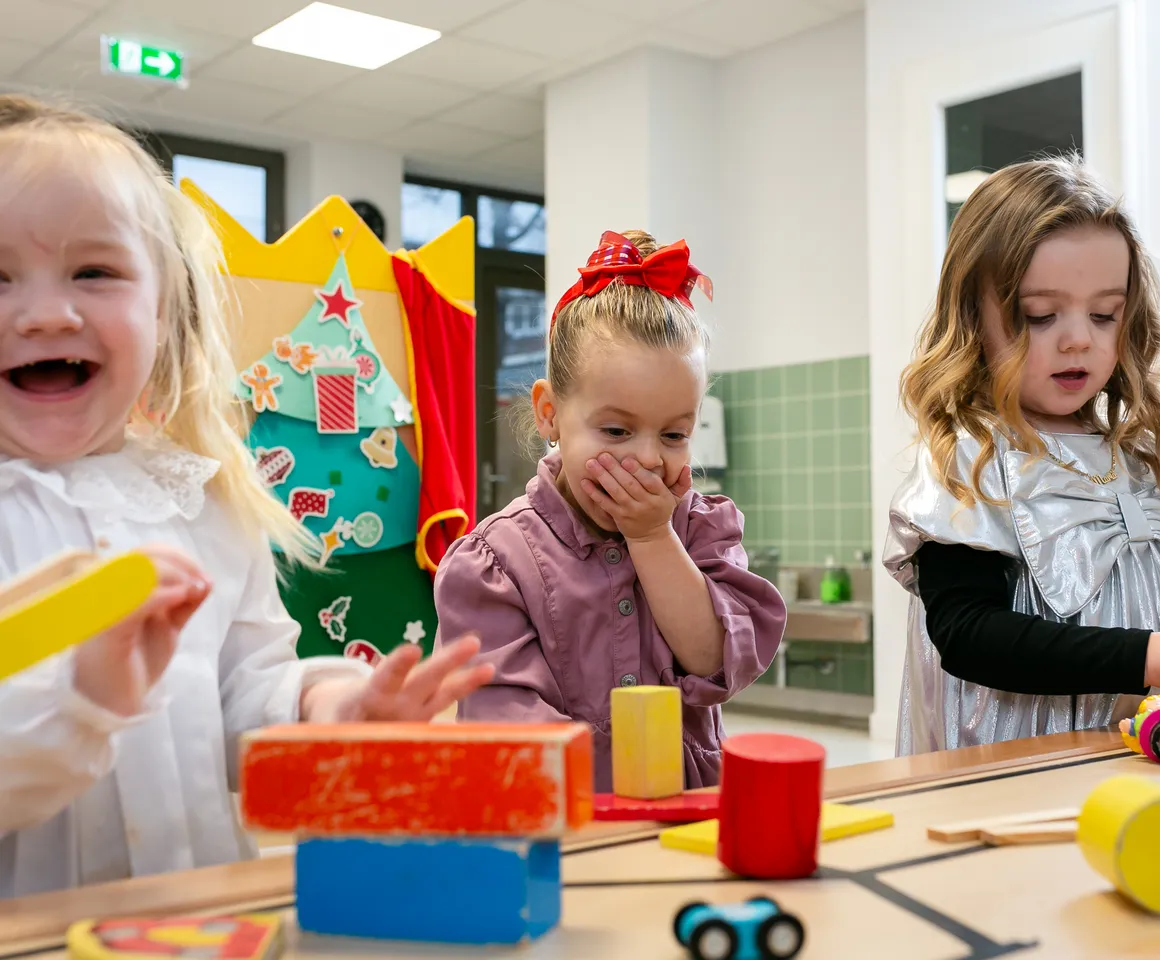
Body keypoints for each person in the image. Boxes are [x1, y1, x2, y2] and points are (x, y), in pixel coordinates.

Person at [0, 95, 493, 898]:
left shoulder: (203, 503)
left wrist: (329, 708)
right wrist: (82, 701)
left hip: (197, 922)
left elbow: (244, 694)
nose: (49, 313)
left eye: (94, 272)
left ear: (162, 311)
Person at [433, 229, 785, 790]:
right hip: (562, 820)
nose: (646, 459)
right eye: (616, 430)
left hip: (685, 814)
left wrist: (652, 538)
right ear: (549, 413)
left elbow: (715, 659)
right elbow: (501, 723)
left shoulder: (700, 530)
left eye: (674, 434)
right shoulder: (494, 563)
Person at [884, 155, 1160, 755]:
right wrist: (1148, 656)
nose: (1079, 337)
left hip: (1129, 756)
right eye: (1040, 316)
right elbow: (967, 634)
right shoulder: (972, 455)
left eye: (1104, 314)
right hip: (1010, 768)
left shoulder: (1139, 455)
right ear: (972, 319)